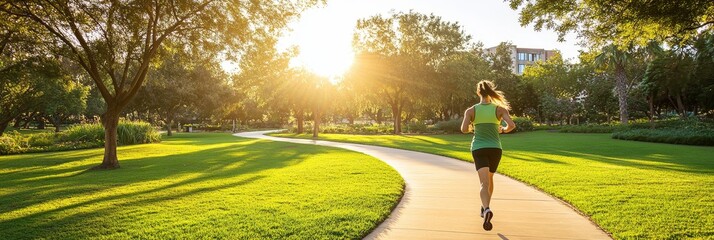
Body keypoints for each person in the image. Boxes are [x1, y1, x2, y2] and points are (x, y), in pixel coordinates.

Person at [460, 80, 516, 231]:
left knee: (484, 183)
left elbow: (464, 129)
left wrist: (472, 124)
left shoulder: (471, 111)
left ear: (478, 92)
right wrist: (502, 130)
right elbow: (511, 125)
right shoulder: (499, 109)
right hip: (495, 149)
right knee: (490, 179)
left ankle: (486, 209)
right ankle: (485, 208)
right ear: (491, 92)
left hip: (479, 148)